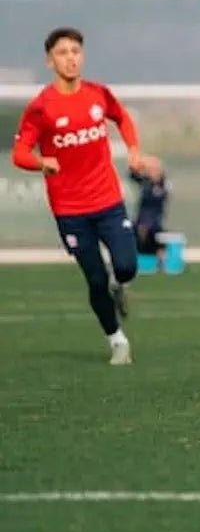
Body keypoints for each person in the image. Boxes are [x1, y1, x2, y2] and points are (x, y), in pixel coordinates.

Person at [11, 27, 143, 364]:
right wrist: (42, 162)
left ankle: (121, 284)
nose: (70, 58)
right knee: (95, 279)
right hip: (70, 210)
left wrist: (133, 149)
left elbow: (122, 118)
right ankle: (117, 341)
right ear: (50, 61)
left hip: (108, 200)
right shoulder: (42, 107)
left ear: (82, 56)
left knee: (126, 267)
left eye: (75, 51)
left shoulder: (98, 94)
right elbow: (20, 153)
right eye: (62, 53)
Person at [129, 157, 170, 268]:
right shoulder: (145, 182)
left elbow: (160, 198)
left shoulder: (163, 185)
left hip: (155, 219)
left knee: (153, 231)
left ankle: (160, 260)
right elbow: (133, 175)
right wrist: (138, 164)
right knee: (134, 230)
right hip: (142, 218)